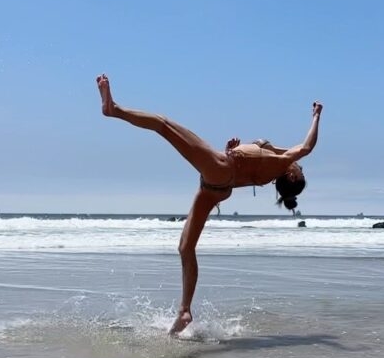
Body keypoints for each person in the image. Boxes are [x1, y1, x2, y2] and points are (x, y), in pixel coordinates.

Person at [97, 75, 323, 334]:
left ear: (291, 175)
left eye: (299, 169)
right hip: (217, 188)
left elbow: (306, 146)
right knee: (185, 248)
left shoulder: (282, 163)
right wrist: (231, 151)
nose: (298, 165)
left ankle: (113, 110)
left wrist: (316, 115)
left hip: (218, 172)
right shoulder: (274, 166)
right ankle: (184, 311)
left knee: (163, 124)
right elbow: (249, 163)